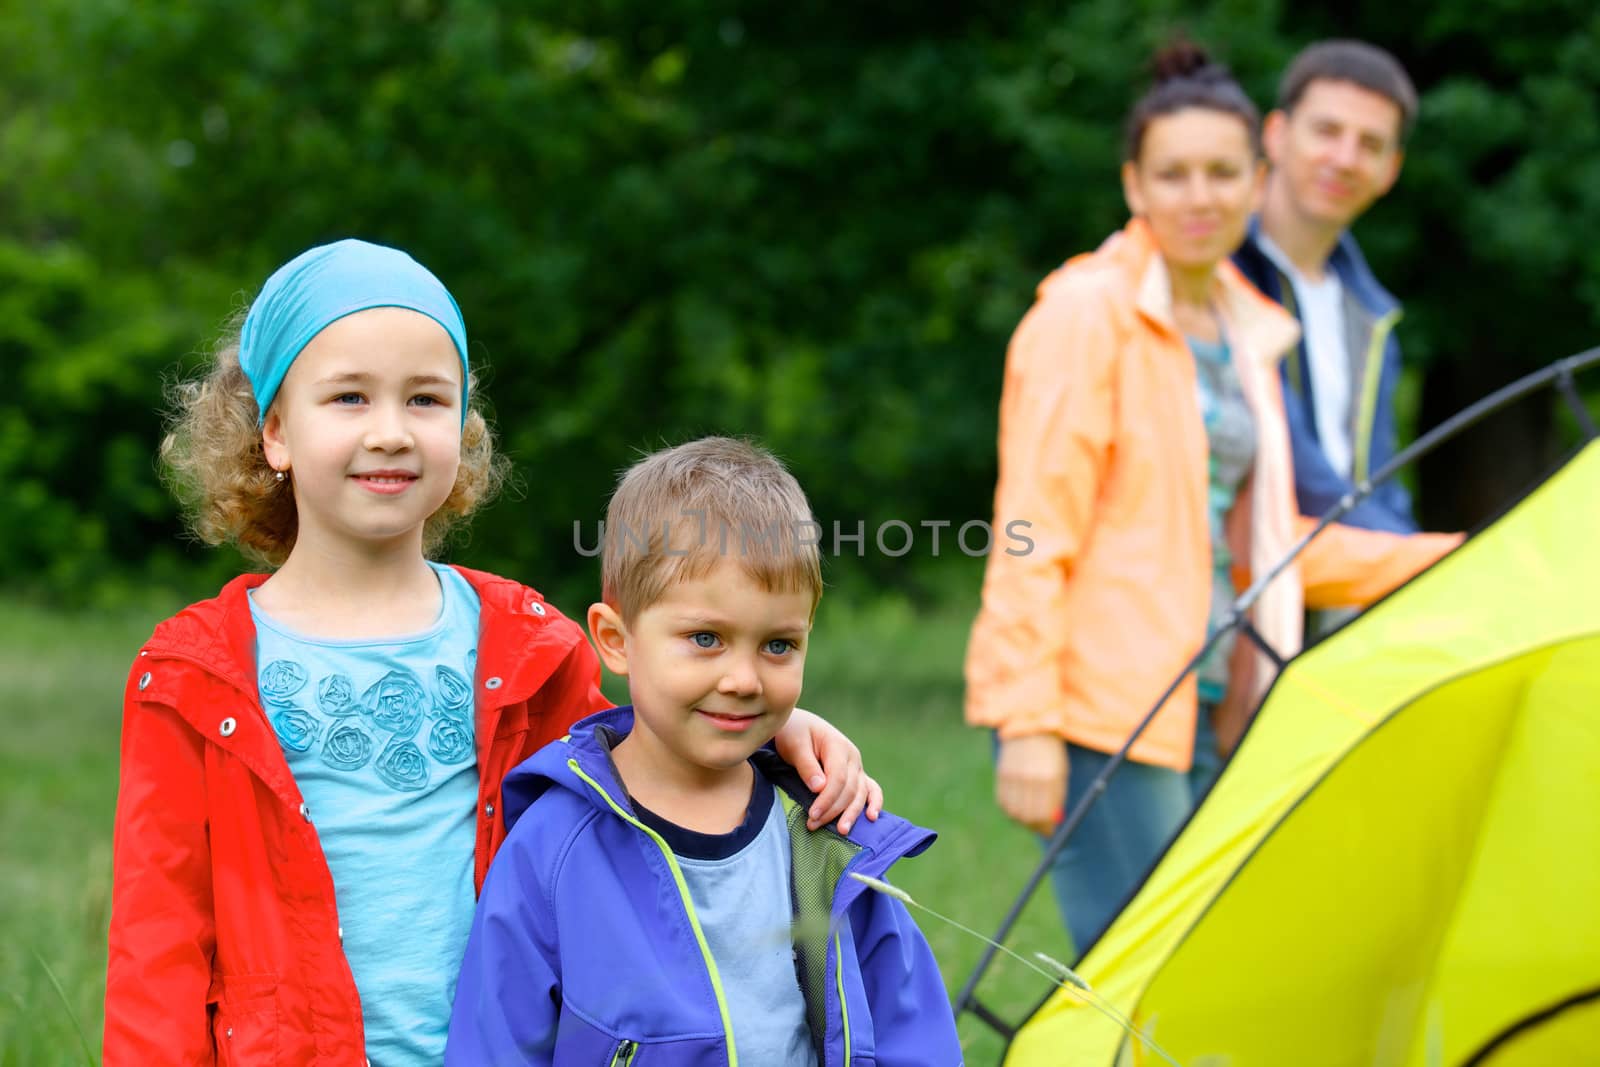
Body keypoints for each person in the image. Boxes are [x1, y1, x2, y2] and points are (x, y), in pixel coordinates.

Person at [104, 240, 881, 1066]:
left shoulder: (527, 643)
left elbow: (644, 759)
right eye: (350, 397)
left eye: (427, 399)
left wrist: (775, 728)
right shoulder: (192, 673)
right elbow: (160, 938)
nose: (392, 431)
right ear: (275, 432)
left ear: (464, 427)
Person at [964, 44, 1461, 955]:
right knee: (1145, 989)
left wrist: (1457, 559)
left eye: (1222, 173)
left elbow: (1272, 543)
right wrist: (1025, 719)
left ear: (1256, 178)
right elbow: (1033, 531)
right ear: (1134, 184)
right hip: (1100, 715)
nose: (1200, 196)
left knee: (1200, 978)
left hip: (1210, 701)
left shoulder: (1244, 330)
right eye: (1174, 174)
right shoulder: (1087, 314)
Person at [446, 437, 962, 1066]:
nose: (744, 679)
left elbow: (914, 1034)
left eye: (778, 645)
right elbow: (497, 1043)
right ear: (615, 640)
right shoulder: (553, 846)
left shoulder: (828, 833)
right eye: (706, 639)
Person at [1234, 40, 1420, 534]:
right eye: (1327, 131)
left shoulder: (1374, 317)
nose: (1344, 159)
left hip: (1338, 598)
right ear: (1275, 135)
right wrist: (1411, 554)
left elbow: (1377, 484)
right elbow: (1300, 480)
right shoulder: (1216, 273)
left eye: (1370, 144)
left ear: (1390, 171)